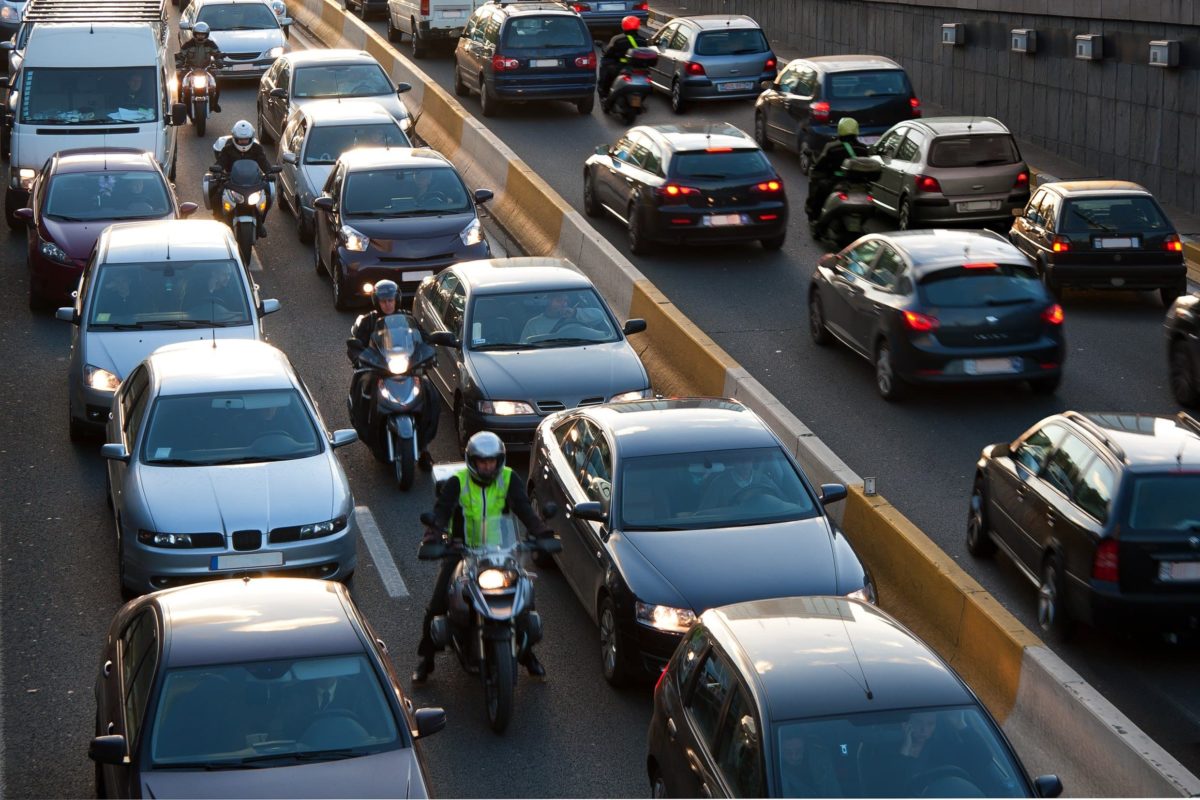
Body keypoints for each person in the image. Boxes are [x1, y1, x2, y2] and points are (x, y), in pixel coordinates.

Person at [413, 431, 553, 683]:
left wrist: (542, 532)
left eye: (492, 460)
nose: (487, 466)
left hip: (502, 552)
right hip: (462, 552)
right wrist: (433, 536)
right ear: (472, 461)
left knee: (524, 599)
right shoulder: (458, 482)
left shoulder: (508, 479)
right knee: (437, 603)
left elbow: (524, 509)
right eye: (482, 461)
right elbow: (441, 512)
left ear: (499, 460)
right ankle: (427, 659)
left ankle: (526, 653)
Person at [346, 280, 439, 470]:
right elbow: (356, 344)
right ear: (377, 302)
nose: (387, 304)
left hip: (406, 367)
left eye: (390, 300)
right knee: (362, 388)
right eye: (383, 301)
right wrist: (358, 356)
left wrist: (430, 352)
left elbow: (423, 340)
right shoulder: (368, 321)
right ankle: (366, 425)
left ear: (396, 300)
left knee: (429, 393)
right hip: (378, 369)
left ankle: (424, 448)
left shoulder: (407, 318)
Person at [211, 119, 275, 235]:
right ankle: (219, 221)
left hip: (253, 181)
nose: (243, 142)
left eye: (246, 140)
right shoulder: (228, 149)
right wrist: (218, 170)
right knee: (217, 196)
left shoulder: (257, 149)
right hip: (232, 181)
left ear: (251, 138)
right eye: (240, 140)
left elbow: (264, 162)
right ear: (235, 138)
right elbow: (221, 162)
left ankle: (260, 223)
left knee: (268, 197)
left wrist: (269, 172)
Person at [805, 117, 870, 222]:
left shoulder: (832, 147)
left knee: (819, 191)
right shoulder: (863, 148)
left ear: (840, 130)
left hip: (836, 182)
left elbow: (819, 165)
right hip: (859, 184)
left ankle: (815, 217)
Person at [175, 21, 223, 112]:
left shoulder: (211, 44)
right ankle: (179, 103)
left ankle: (215, 103)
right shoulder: (188, 44)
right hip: (190, 69)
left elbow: (217, 54)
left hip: (206, 69)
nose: (200, 36)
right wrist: (178, 62)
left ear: (206, 34)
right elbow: (181, 55)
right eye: (198, 34)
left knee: (218, 81)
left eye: (203, 34)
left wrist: (219, 61)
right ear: (194, 34)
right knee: (179, 80)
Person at [519, 292, 605, 342]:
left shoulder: (576, 315)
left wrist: (575, 313)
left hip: (584, 349)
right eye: (559, 301)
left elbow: (600, 315)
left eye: (565, 301)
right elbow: (525, 346)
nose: (564, 304)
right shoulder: (533, 324)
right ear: (547, 303)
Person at [778, 730, 841, 798]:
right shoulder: (774, 771)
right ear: (780, 750)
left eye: (798, 750)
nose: (794, 757)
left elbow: (834, 790)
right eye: (788, 752)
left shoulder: (822, 763)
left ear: (804, 747)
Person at [598, 16, 649, 100]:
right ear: (637, 26)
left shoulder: (618, 39)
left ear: (623, 26)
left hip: (622, 67)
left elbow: (609, 53)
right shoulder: (643, 40)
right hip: (639, 68)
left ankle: (604, 94)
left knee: (607, 73)